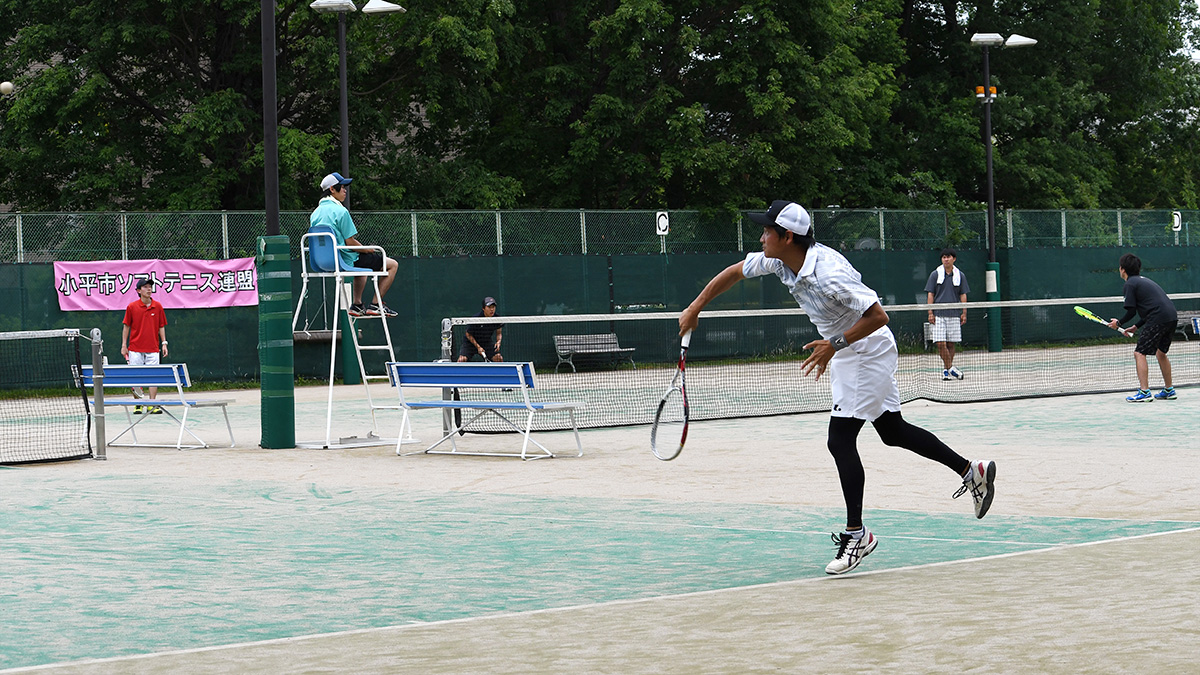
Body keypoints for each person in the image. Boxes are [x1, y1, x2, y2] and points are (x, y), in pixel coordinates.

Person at [679, 200, 996, 575]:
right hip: (850, 348)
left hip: (864, 348)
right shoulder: (779, 259)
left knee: (839, 440)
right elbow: (734, 272)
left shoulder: (828, 272)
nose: (761, 236)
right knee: (893, 431)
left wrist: (835, 345)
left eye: (767, 230)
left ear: (788, 236)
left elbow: (879, 316)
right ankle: (969, 471)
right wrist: (696, 306)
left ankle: (856, 534)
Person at [309, 172, 399, 318]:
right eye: (342, 187)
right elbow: (349, 242)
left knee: (361, 266)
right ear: (332, 189)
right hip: (344, 259)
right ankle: (376, 305)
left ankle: (357, 305)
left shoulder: (315, 213)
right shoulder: (340, 211)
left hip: (323, 262)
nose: (345, 191)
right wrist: (367, 249)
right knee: (392, 264)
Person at [1107, 253, 1177, 402]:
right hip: (1171, 317)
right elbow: (1151, 308)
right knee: (1161, 353)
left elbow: (1132, 310)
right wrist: (1136, 326)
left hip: (1158, 318)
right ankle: (1169, 390)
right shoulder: (1144, 281)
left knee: (1139, 353)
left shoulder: (1130, 284)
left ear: (1122, 269)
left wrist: (1118, 323)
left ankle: (1144, 392)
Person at [122, 278, 168, 414]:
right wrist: (124, 345)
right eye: (145, 287)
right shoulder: (131, 307)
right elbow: (126, 327)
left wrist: (164, 343)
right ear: (138, 291)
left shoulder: (158, 306)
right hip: (135, 348)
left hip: (153, 348)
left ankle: (152, 404)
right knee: (135, 377)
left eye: (150, 287)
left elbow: (161, 326)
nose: (149, 289)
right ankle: (138, 404)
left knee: (153, 376)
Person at [924, 248, 970, 380]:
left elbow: (963, 294)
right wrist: (930, 312)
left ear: (953, 259)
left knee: (951, 343)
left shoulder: (960, 275)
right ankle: (951, 368)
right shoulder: (935, 274)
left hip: (954, 314)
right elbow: (930, 294)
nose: (946, 259)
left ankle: (946, 369)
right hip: (939, 314)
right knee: (940, 343)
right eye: (944, 257)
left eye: (948, 257)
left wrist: (964, 312)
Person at [458, 297, 504, 362]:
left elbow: (499, 333)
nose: (492, 309)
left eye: (493, 307)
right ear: (483, 308)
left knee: (499, 359)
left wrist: (498, 341)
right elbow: (468, 334)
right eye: (489, 307)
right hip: (470, 343)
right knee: (461, 360)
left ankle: (500, 372)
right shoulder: (476, 319)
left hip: (486, 342)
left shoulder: (497, 318)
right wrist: (478, 347)